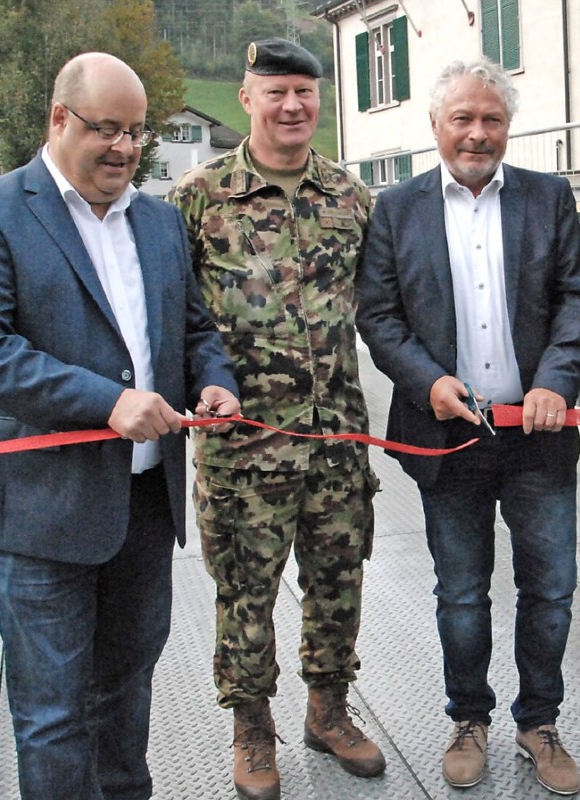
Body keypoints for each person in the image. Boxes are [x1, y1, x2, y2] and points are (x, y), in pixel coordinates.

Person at [0, 53, 240, 800]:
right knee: (50, 715)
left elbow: (193, 327)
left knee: (127, 693)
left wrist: (213, 380)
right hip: (43, 516)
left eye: (138, 132)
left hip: (140, 508)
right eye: (108, 129)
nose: (127, 149)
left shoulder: (160, 221)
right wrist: (108, 401)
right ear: (59, 120)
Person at [357, 58, 580, 797]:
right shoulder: (396, 209)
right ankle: (469, 719)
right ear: (435, 126)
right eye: (462, 118)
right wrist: (426, 381)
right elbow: (379, 313)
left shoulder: (548, 198)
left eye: (491, 118)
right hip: (448, 437)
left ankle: (540, 723)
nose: (477, 132)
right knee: (461, 592)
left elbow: (579, 300)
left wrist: (557, 381)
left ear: (507, 127)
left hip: (537, 438)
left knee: (550, 588)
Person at [167, 38, 384, 800]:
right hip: (242, 447)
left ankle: (329, 712)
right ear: (246, 99)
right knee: (245, 592)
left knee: (338, 582)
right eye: (276, 92)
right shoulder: (197, 200)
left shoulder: (352, 199)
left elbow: (384, 307)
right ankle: (252, 731)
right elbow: (175, 318)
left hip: (336, 439)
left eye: (304, 91)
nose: (293, 106)